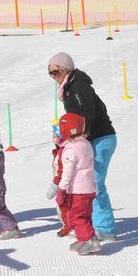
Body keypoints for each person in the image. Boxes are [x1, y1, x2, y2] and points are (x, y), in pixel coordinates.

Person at [47, 53, 118, 241]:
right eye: (51, 73)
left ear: (67, 69)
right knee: (85, 182)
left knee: (94, 182)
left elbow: (85, 114)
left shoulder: (77, 86)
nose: (54, 76)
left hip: (100, 137)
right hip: (89, 139)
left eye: (56, 71)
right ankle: (91, 224)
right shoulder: (70, 87)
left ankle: (105, 228)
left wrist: (72, 134)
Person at [55, 112, 101, 255]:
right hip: (90, 188)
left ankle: (89, 240)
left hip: (78, 190)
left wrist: (61, 189)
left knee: (75, 217)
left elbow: (67, 172)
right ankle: (84, 238)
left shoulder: (70, 149)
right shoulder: (85, 143)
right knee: (85, 215)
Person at [46, 124, 72, 237]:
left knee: (63, 206)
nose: (53, 138)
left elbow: (62, 170)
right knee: (62, 206)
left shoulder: (65, 151)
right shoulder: (59, 149)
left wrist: (55, 185)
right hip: (62, 184)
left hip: (64, 185)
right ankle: (67, 225)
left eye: (55, 135)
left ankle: (69, 226)